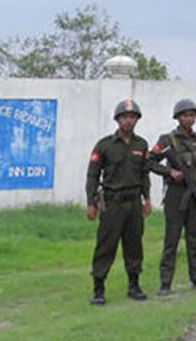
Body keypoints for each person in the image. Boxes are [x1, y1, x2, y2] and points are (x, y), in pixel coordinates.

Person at [85, 99, 152, 305]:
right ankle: (98, 288)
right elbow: (93, 175)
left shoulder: (141, 144)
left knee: (134, 246)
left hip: (133, 203)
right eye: (124, 117)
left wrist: (147, 199)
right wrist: (91, 202)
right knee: (106, 246)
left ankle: (134, 285)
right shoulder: (104, 145)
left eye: (132, 117)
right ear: (117, 119)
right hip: (112, 203)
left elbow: (144, 174)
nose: (128, 121)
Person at [148, 99, 196, 295]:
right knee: (172, 239)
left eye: (192, 115)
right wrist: (169, 172)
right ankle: (165, 283)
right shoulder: (167, 140)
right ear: (177, 117)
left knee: (193, 239)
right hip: (176, 194)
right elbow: (150, 161)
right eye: (185, 115)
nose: (189, 118)